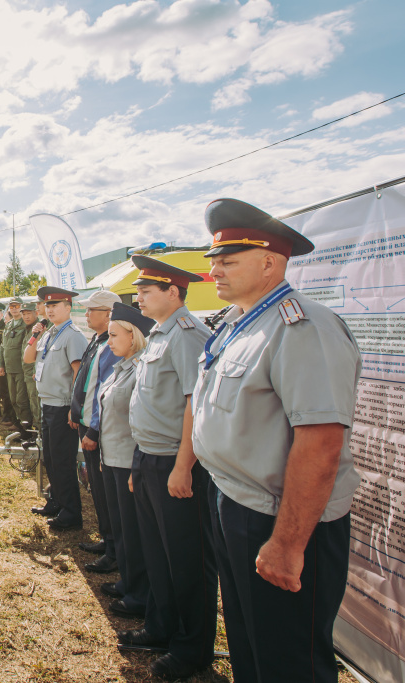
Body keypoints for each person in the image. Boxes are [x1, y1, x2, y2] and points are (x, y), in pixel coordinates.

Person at [193, 199, 361, 682]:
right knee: (250, 643)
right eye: (214, 261)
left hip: (277, 517)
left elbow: (321, 445)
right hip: (234, 499)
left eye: (227, 261)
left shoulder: (303, 327)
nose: (214, 272)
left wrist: (287, 544)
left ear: (270, 262)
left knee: (289, 658)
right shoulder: (240, 321)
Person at [121, 254, 217, 681]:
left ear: (173, 292)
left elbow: (193, 405)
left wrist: (182, 466)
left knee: (187, 560)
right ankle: (161, 628)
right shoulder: (159, 334)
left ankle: (191, 647)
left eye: (146, 290)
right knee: (158, 553)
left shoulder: (187, 334)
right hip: (148, 457)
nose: (138, 297)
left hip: (175, 464)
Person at [96, 302, 155, 621]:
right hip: (114, 457)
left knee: (134, 531)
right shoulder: (122, 366)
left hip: (130, 461)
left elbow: (140, 422)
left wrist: (134, 464)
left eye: (114, 335)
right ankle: (129, 582)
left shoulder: (140, 368)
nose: (109, 342)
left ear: (133, 337)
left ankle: (140, 593)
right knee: (122, 526)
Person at [25, 287, 88, 531]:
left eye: (55, 305)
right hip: (47, 404)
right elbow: (29, 358)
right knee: (50, 458)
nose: (49, 310)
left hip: (62, 408)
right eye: (47, 306)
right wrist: (34, 336)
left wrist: (75, 407)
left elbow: (78, 373)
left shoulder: (73, 335)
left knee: (62, 461)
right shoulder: (50, 333)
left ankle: (71, 513)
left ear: (68, 307)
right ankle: (56, 501)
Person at [71, 289, 123, 574]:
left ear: (109, 314)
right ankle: (108, 540)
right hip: (85, 422)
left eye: (93, 310)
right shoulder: (97, 340)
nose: (87, 315)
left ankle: (114, 549)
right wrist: (76, 411)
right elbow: (85, 381)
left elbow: (106, 392)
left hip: (98, 430)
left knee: (105, 493)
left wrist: (93, 429)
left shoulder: (113, 346)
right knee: (98, 492)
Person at [0, 297, 31, 428]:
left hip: (21, 368)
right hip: (9, 368)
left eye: (17, 306)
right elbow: (3, 347)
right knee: (13, 399)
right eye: (12, 307)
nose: (14, 309)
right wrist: (0, 364)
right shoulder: (9, 325)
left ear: (21, 307)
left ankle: (26, 428)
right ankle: (18, 423)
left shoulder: (26, 325)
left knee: (22, 400)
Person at [19, 301, 42, 430]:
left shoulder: (39, 329)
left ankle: (39, 432)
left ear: (36, 313)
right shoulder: (29, 329)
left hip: (34, 374)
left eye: (29, 313)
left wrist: (34, 371)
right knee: (31, 402)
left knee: (36, 403)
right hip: (26, 373)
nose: (26, 317)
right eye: (24, 314)